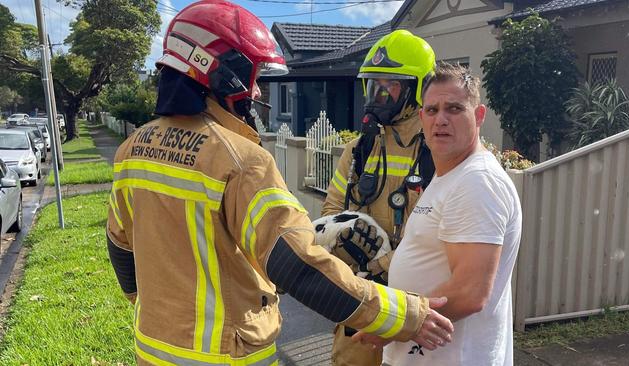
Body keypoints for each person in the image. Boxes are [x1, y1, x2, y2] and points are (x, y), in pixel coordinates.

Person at [105, 2, 453, 365]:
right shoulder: (241, 160)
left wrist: (161, 309)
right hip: (228, 354)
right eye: (253, 77)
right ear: (225, 75)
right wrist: (407, 314)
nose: (255, 93)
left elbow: (119, 247)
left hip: (153, 350)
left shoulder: (133, 149)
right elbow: (296, 265)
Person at [357, 62, 522, 365]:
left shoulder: (477, 181)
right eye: (432, 110)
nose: (441, 120)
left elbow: (470, 292)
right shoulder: (451, 176)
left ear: (480, 115)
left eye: (455, 109)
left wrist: (393, 326)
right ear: (421, 118)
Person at [321, 30, 438, 366]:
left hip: (414, 301)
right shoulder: (359, 149)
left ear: (418, 88)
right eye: (374, 84)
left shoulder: (437, 150)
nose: (379, 93)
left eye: (391, 85)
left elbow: (434, 237)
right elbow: (332, 212)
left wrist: (380, 265)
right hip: (361, 295)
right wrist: (348, 248)